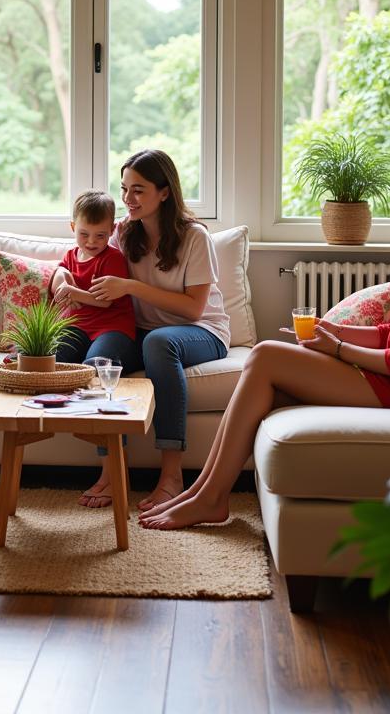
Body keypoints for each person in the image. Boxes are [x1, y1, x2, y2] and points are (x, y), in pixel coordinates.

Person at [140, 143, 390, 532]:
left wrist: (340, 350)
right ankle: (202, 493)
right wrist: (337, 332)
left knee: (265, 356)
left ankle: (210, 498)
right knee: (269, 387)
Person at [84, 150, 231, 511]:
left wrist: (131, 287)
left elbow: (192, 308)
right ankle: (111, 471)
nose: (127, 200)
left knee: (159, 342)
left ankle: (172, 475)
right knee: (101, 354)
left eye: (138, 190)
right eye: (124, 189)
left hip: (201, 330)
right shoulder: (122, 233)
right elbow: (88, 266)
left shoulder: (194, 237)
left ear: (164, 192)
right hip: (144, 331)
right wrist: (61, 277)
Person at [50, 190, 141, 507]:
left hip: (113, 329)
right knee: (48, 360)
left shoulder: (113, 258)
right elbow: (58, 275)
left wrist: (71, 289)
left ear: (112, 230)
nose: (91, 241)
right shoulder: (71, 257)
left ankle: (112, 471)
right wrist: (61, 275)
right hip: (78, 327)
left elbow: (104, 300)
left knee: (98, 367)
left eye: (100, 235)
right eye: (84, 234)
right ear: (71, 227)